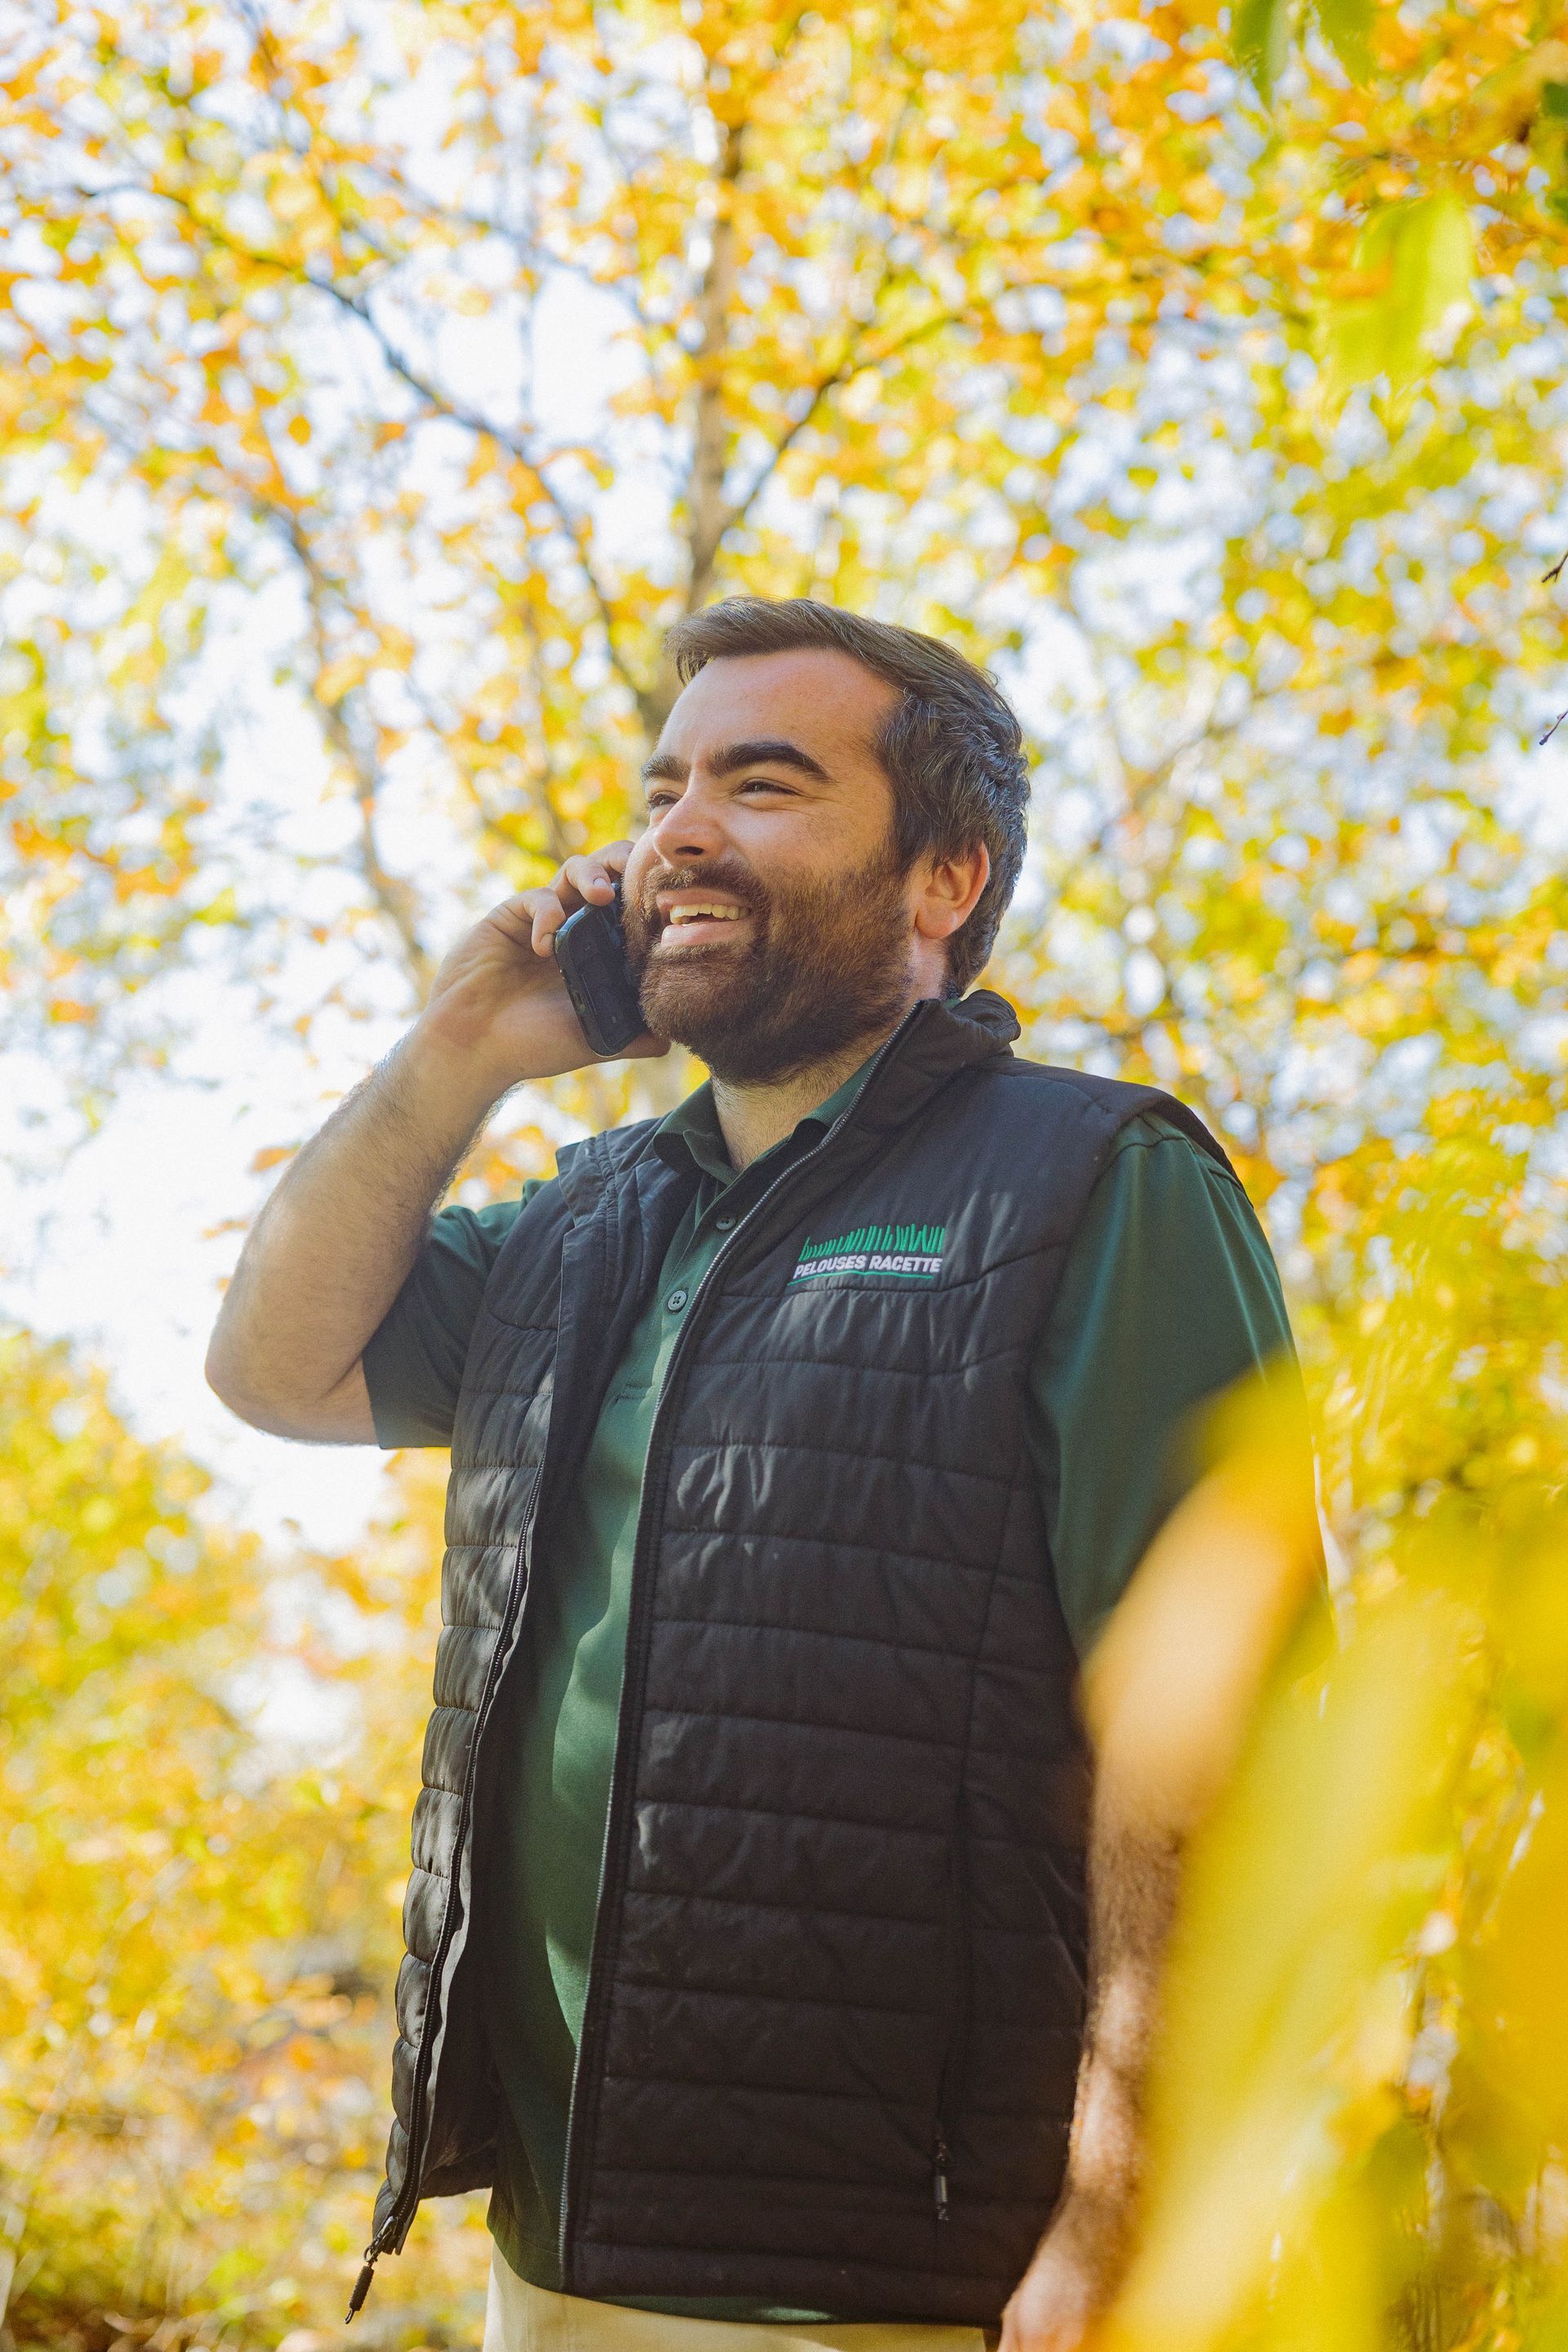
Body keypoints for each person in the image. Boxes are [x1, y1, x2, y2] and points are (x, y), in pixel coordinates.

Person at [206, 597, 1304, 2352]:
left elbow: (1224, 1734)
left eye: (764, 782)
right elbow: (275, 1368)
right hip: (564, 2251)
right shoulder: (580, 1222)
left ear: (946, 879)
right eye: (663, 791)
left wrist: (1130, 2219)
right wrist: (461, 1051)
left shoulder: (1096, 1182)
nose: (678, 834)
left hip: (910, 2277)